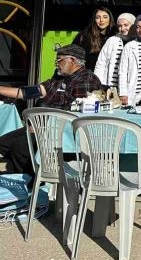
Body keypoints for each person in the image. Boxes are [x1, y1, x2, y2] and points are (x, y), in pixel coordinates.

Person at [0, 45, 102, 176]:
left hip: (60, 132)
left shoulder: (86, 80)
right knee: (3, 143)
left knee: (20, 148)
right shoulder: (59, 78)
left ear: (72, 60)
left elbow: (76, 114)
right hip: (40, 126)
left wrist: (44, 126)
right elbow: (28, 92)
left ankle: (32, 179)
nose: (56, 64)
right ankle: (16, 176)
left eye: (59, 60)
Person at [94, 12, 136, 89]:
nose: (122, 29)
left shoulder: (137, 42)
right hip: (111, 87)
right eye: (120, 26)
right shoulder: (112, 41)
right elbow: (101, 64)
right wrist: (98, 85)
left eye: (126, 25)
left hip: (131, 88)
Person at [72, 6, 114, 72]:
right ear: (94, 20)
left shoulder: (114, 36)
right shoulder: (84, 35)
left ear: (110, 19)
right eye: (98, 17)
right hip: (88, 74)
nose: (101, 20)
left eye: (105, 17)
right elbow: (72, 54)